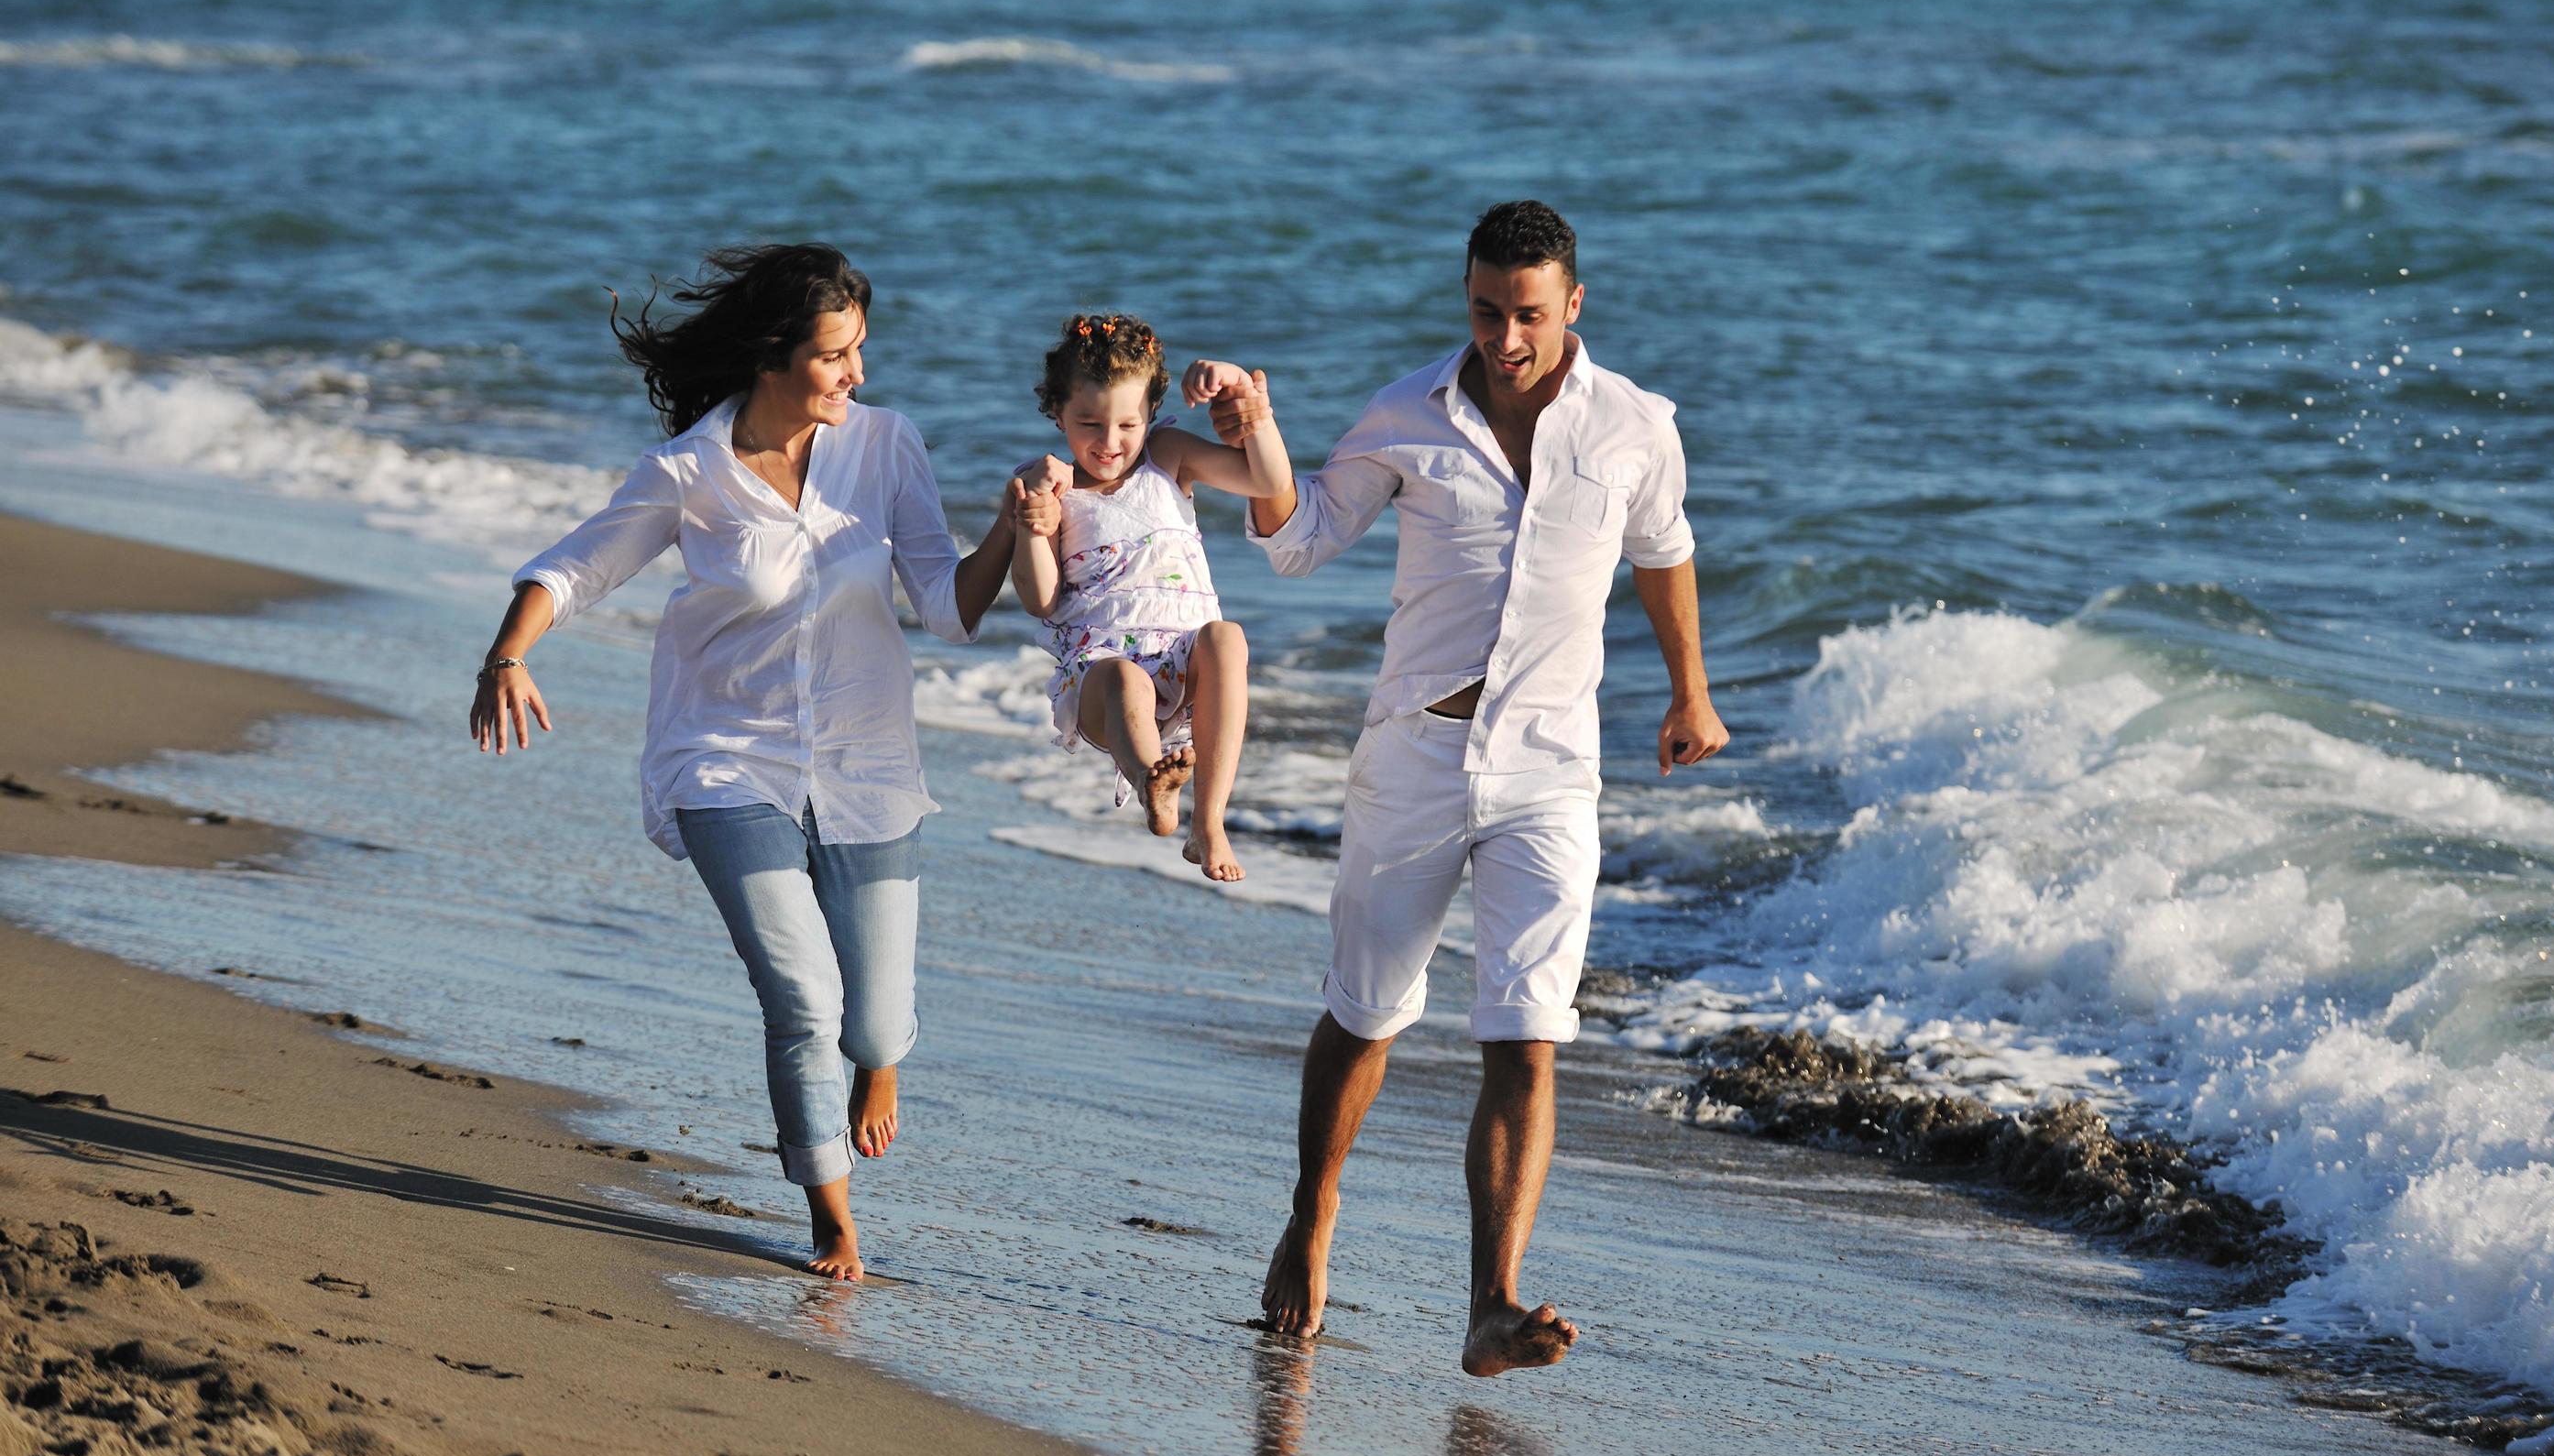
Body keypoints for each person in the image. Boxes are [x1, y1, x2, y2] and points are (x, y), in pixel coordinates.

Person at [1190, 200, 1727, 1375]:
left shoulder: (1635, 425)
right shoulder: (1405, 416)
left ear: (1573, 303)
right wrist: (1257, 426)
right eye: (1486, 311)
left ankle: (1493, 1300)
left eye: (1527, 314)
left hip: (1551, 768)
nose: (1505, 337)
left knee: (1527, 1036)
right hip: (1414, 758)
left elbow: (1666, 551)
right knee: (1367, 1010)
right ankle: (1311, 1214)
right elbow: (1295, 541)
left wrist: (1690, 692)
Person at [466, 242, 1058, 1283]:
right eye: (836, 355)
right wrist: (507, 653)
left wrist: (1010, 528)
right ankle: (830, 1214)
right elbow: (578, 564)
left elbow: (949, 608)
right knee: (801, 998)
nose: (856, 374)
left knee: (870, 1021)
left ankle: (879, 1062)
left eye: (861, 351)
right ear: (775, 356)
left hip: (866, 765)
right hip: (724, 760)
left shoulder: (886, 447)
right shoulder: (688, 471)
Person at [1011, 312, 1292, 882]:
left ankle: (1209, 823)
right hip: (1101, 685)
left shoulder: (1168, 457)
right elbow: (1041, 599)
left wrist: (1245, 395)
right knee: (1123, 677)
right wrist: (1030, 524)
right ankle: (1150, 783)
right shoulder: (1054, 486)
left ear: (1152, 417)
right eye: (1088, 423)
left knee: (1227, 636)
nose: (1109, 442)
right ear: (1057, 412)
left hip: (1188, 671)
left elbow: (1268, 482)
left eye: (1126, 424)